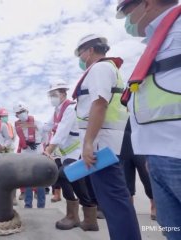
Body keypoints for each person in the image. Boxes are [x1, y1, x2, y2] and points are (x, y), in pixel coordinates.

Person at [116, 1, 181, 239]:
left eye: (126, 13)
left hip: (176, 153)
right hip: (157, 155)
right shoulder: (161, 38)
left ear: (146, 3)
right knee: (173, 230)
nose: (128, 21)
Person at [72, 34, 141, 240]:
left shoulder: (100, 68)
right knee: (114, 199)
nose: (81, 58)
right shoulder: (110, 68)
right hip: (108, 140)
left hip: (102, 142)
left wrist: (88, 143)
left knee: (113, 200)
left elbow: (99, 103)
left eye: (80, 53)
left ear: (90, 50)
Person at [43, 82, 98, 231]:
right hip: (66, 154)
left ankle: (85, 215)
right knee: (64, 177)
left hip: (77, 152)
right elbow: (46, 126)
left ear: (63, 94)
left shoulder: (70, 109)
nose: (52, 98)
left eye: (54, 95)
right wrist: (30, 125)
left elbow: (61, 132)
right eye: (50, 95)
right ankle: (78, 216)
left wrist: (48, 149)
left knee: (64, 174)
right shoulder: (56, 111)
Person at [119, 118, 156, 220]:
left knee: (146, 176)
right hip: (123, 139)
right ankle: (129, 209)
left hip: (140, 139)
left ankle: (155, 205)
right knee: (126, 178)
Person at [13, 102, 46, 209]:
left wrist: (37, 143)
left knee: (40, 180)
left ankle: (41, 205)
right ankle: (28, 205)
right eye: (18, 113)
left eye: (23, 111)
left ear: (27, 111)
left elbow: (45, 136)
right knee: (27, 180)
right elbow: (15, 138)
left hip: (38, 152)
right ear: (16, 115)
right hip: (26, 153)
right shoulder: (17, 125)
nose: (21, 114)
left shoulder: (37, 122)